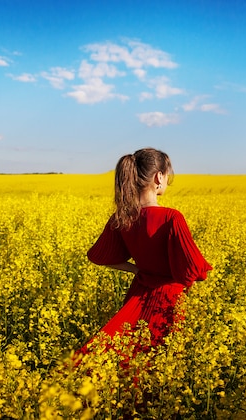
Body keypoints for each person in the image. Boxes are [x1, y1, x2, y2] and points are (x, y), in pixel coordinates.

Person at [79, 148, 212, 356]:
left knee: (125, 356)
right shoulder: (171, 218)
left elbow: (99, 257)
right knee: (160, 363)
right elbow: (195, 272)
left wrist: (138, 270)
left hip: (137, 297)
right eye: (167, 175)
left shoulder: (121, 217)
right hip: (169, 302)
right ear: (159, 177)